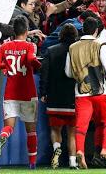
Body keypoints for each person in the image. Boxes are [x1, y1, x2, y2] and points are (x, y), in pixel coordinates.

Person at [65, 17, 106, 169]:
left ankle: (80, 152)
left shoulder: (72, 47)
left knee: (80, 126)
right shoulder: (100, 45)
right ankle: (105, 149)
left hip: (81, 93)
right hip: (100, 92)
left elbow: (68, 72)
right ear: (96, 30)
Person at [0, 16, 41, 169]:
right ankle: (32, 164)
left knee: (9, 126)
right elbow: (31, 59)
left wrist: (4, 66)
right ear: (27, 31)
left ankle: (3, 137)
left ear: (14, 31)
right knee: (31, 131)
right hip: (28, 93)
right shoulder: (29, 46)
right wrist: (38, 64)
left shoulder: (4, 47)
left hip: (11, 93)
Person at [40, 23, 78, 169]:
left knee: (55, 129)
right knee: (72, 133)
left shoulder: (50, 50)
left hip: (54, 97)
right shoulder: (77, 51)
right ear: (75, 36)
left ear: (60, 35)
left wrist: (43, 92)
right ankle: (73, 162)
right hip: (73, 97)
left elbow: (44, 74)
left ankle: (57, 149)